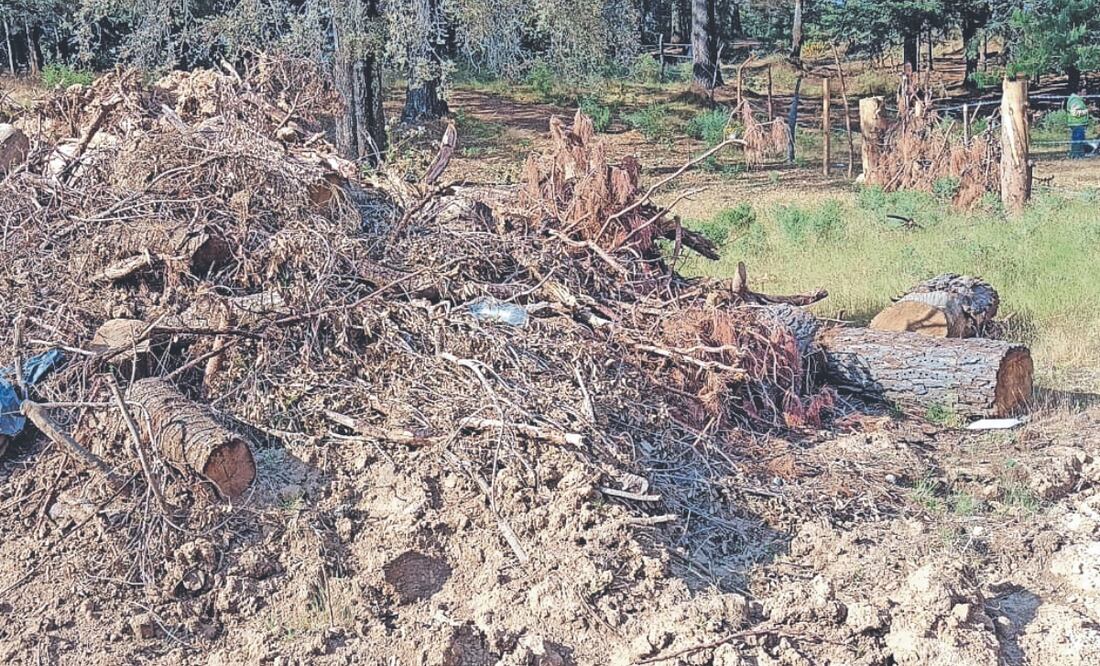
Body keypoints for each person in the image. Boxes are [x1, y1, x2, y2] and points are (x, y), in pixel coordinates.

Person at [1067, 87, 1090, 158]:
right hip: (1077, 123)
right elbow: (1075, 113)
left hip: (1078, 123)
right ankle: (1077, 156)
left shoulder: (1077, 100)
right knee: (1078, 141)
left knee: (1078, 140)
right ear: (1079, 92)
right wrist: (1087, 111)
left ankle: (1076, 155)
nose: (1085, 94)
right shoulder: (1075, 100)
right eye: (1084, 92)